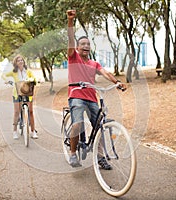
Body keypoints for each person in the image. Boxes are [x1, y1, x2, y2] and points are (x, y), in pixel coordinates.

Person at [66, 10, 127, 168]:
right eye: (83, 44)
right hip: (76, 95)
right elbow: (70, 40)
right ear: (78, 48)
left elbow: (105, 72)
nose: (86, 46)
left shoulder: (94, 63)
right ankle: (73, 154)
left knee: (99, 126)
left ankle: (100, 157)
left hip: (91, 97)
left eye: (88, 44)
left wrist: (117, 82)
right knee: (77, 123)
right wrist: (70, 21)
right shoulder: (73, 57)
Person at [2, 55, 38, 140]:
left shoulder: (28, 71)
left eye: (22, 60)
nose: (20, 61)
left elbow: (34, 79)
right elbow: (3, 75)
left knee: (31, 111)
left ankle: (33, 131)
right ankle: (14, 131)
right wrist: (7, 80)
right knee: (16, 112)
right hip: (16, 93)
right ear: (16, 63)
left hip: (28, 93)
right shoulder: (13, 72)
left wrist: (32, 80)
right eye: (18, 60)